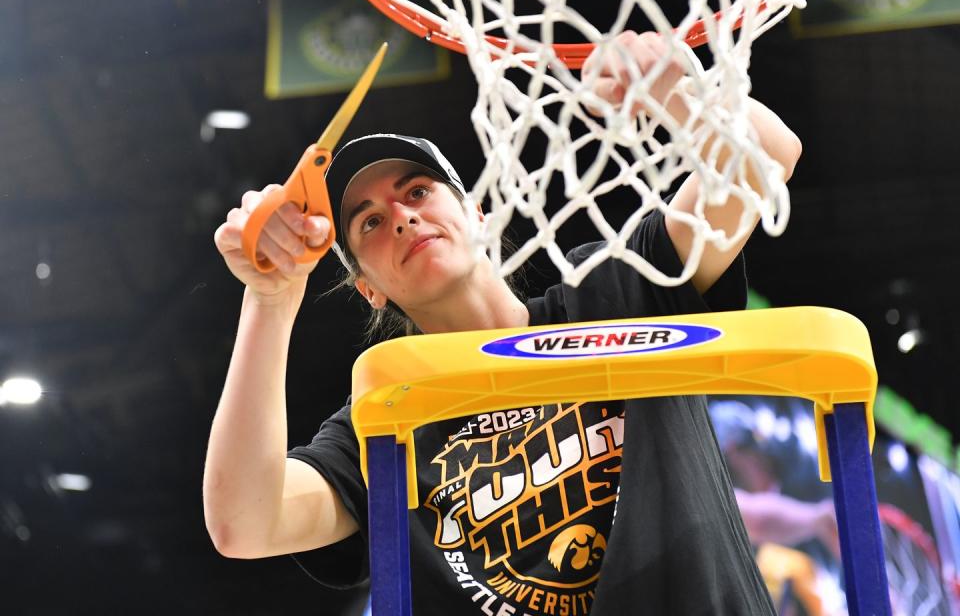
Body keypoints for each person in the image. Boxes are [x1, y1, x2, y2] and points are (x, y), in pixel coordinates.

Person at [204, 30, 802, 615]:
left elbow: (768, 158)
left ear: (478, 215)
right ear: (370, 289)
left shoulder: (612, 291)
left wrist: (679, 89)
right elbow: (244, 524)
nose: (401, 218)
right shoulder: (387, 417)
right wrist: (270, 297)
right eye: (369, 223)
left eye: (417, 192)